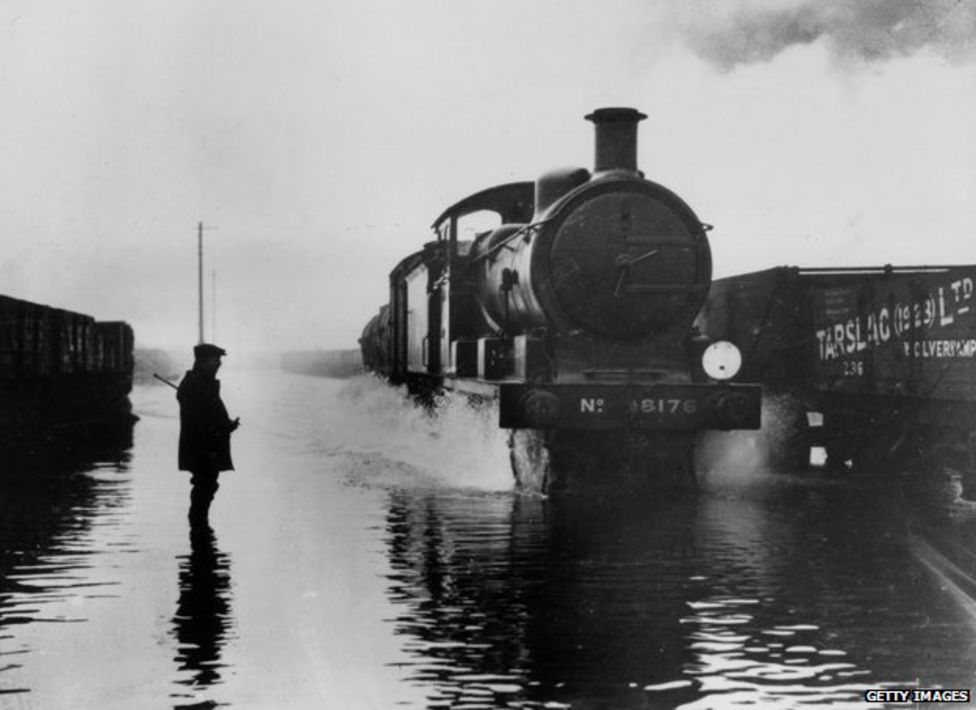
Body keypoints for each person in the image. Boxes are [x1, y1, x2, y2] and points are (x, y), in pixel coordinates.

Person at [177, 343, 240, 525]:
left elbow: (209, 415)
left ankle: (199, 529)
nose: (219, 363)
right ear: (203, 361)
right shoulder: (198, 383)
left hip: (205, 446)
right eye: (216, 360)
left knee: (206, 485)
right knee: (205, 485)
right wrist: (223, 427)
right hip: (202, 448)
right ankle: (199, 529)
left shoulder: (201, 382)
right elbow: (201, 420)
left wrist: (226, 425)